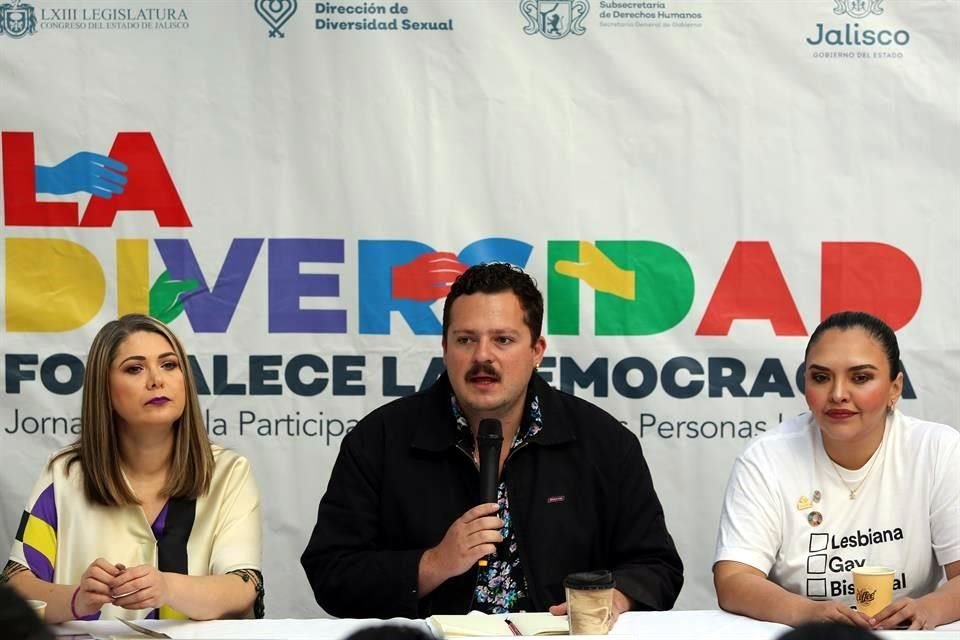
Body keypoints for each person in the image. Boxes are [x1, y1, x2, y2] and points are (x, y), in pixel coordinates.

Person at [302, 263, 683, 618]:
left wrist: (614, 599)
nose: (483, 357)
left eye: (503, 340)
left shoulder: (603, 442)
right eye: (465, 339)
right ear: (444, 348)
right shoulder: (379, 440)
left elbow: (656, 566)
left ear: (537, 352)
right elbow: (331, 572)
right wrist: (433, 564)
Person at [3, 314, 263, 623]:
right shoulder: (65, 473)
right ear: (105, 389)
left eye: (169, 365)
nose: (156, 380)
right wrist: (77, 599)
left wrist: (167, 587)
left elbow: (242, 586)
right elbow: (16, 585)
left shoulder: (228, 471)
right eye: (134, 369)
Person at [714, 311, 960, 630]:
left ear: (894, 388)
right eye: (821, 377)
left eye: (860, 378)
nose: (838, 394)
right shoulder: (765, 458)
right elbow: (734, 578)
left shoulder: (937, 448)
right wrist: (808, 615)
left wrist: (928, 610)